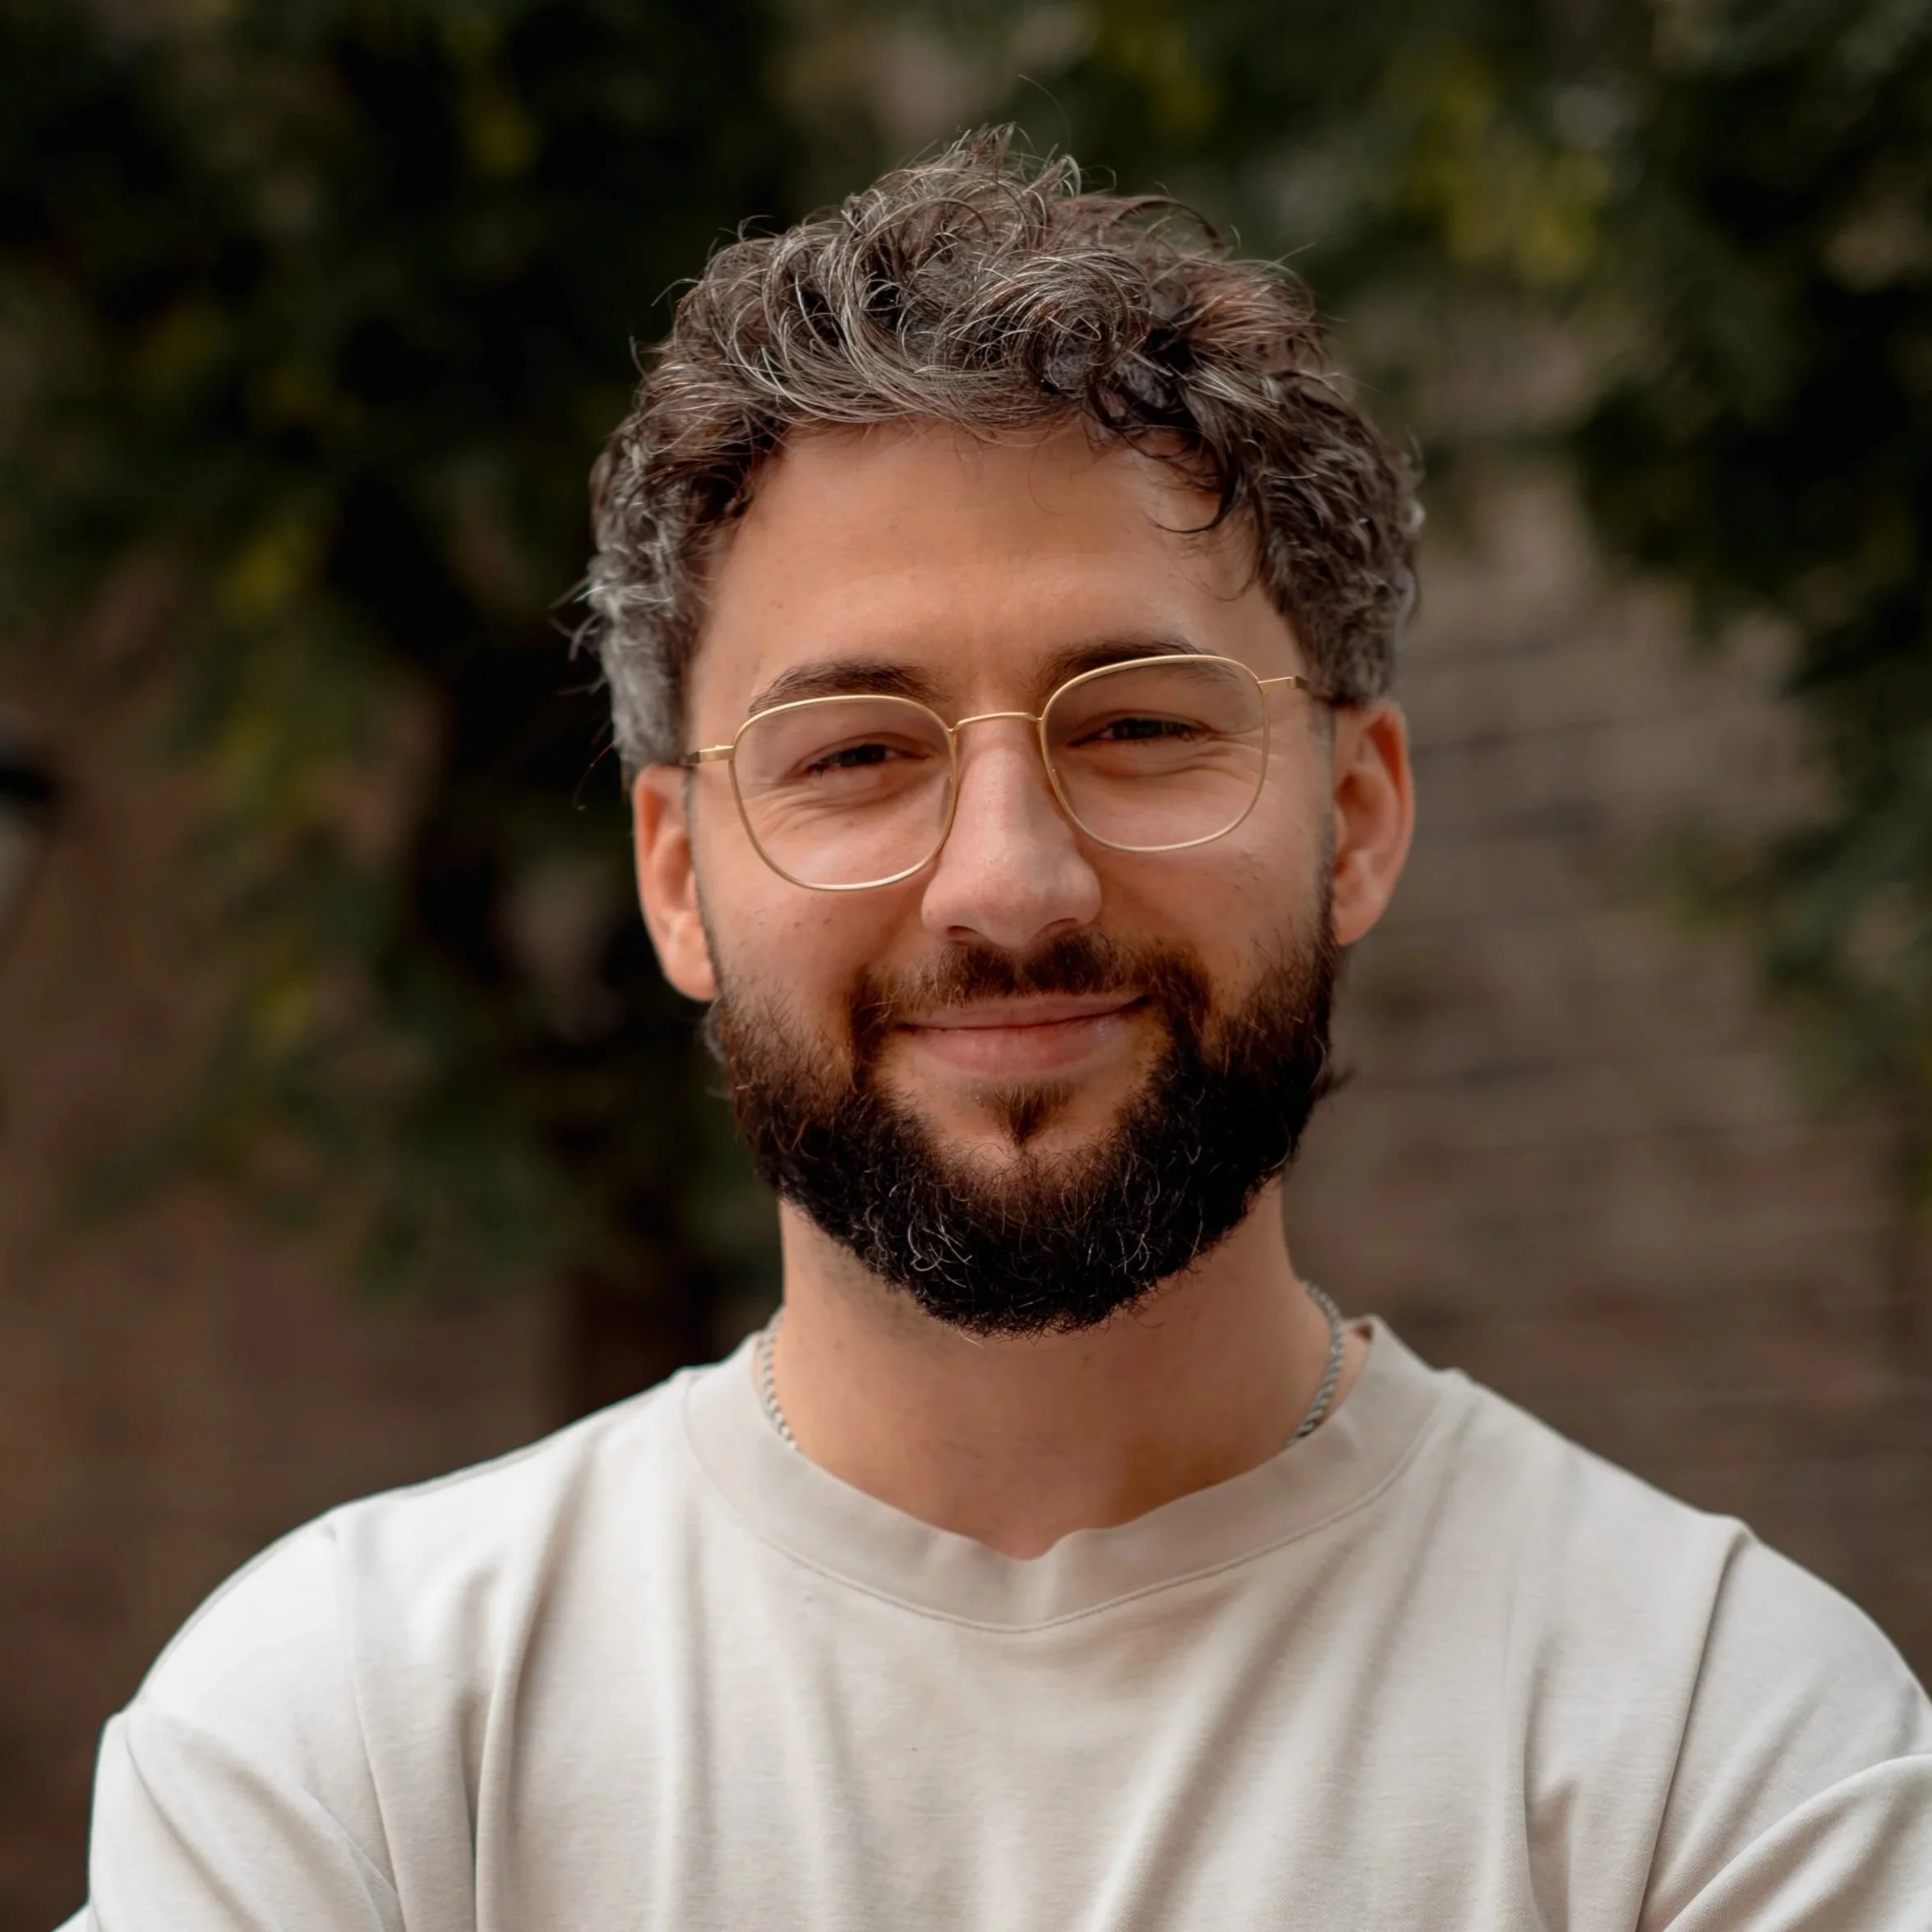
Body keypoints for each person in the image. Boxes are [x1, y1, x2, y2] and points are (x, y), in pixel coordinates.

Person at [62, 130, 1932, 1932]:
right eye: (855, 754)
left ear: (1352, 814)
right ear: (675, 872)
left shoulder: (1716, 1751)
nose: (1009, 883)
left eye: (1134, 726)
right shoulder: (357, 1745)